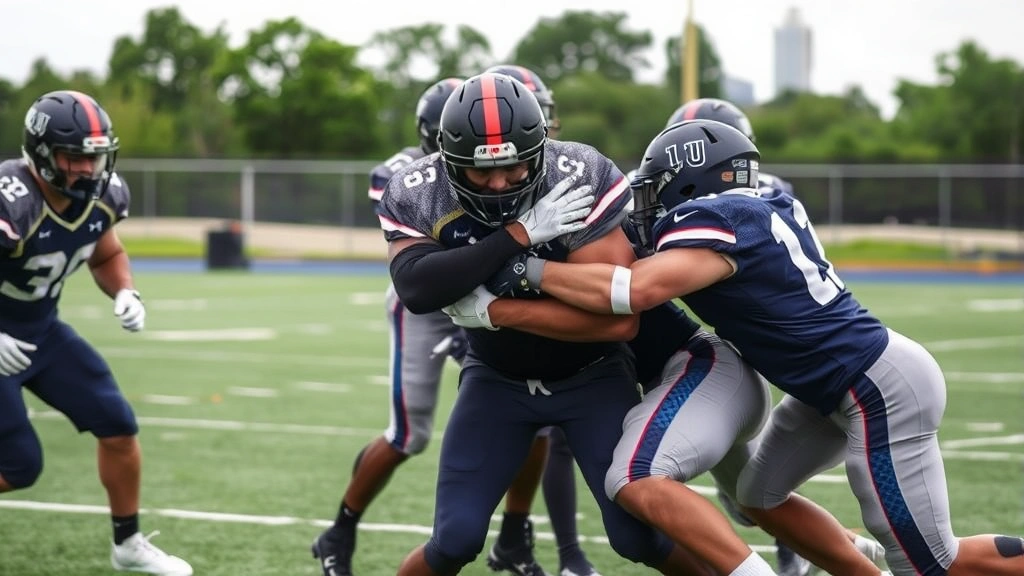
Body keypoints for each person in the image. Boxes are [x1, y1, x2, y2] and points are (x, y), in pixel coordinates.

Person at [497, 117, 1024, 576]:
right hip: (837, 383)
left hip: (874, 387)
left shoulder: (713, 217)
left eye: (656, 189)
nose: (648, 203)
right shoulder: (762, 204)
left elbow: (636, 290)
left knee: (933, 563)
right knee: (758, 497)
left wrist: (530, 269)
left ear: (688, 180)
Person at [380, 72, 765, 576]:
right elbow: (417, 288)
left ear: (539, 150)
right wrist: (517, 236)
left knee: (637, 536)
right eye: (480, 173)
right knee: (455, 539)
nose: (498, 183)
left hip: (593, 376)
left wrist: (496, 304)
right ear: (449, 163)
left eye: (514, 169)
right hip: (496, 379)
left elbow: (615, 323)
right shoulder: (419, 189)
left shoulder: (579, 173)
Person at [313, 75, 599, 576]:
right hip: (427, 303)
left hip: (503, 285)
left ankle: (513, 538)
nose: (496, 173)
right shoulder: (407, 178)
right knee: (410, 434)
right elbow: (425, 274)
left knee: (533, 412)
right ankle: (340, 529)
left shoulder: (538, 166)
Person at [666, 97, 887, 576]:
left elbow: (653, 280)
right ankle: (837, 545)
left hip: (776, 357)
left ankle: (817, 550)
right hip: (782, 351)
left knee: (753, 492)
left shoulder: (726, 206)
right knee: (753, 492)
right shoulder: (772, 192)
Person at [0, 90, 192, 575]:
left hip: (39, 332)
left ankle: (127, 544)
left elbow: (105, 252)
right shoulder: (13, 199)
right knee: (20, 464)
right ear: (43, 155)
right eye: (75, 158)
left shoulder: (104, 198)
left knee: (118, 425)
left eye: (95, 157)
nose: (89, 169)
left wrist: (125, 291)